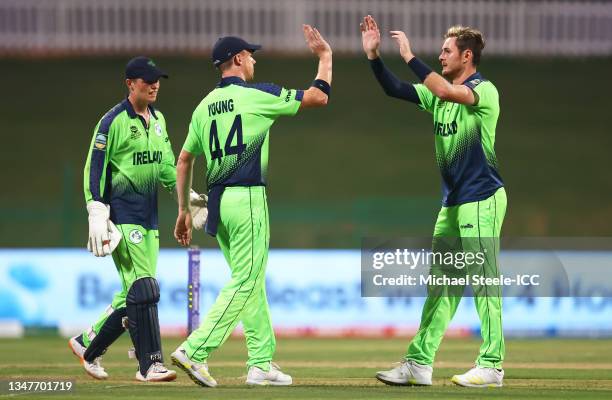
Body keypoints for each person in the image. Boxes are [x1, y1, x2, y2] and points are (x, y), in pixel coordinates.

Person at [170, 25, 332, 387]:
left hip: (216, 204)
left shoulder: (203, 107)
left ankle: (260, 363)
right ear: (239, 59)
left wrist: (182, 209)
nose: (254, 59)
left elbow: (183, 160)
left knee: (251, 281)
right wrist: (325, 57)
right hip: (246, 199)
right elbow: (319, 97)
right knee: (246, 280)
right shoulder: (257, 95)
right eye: (251, 55)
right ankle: (195, 350)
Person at [360, 15, 507, 388]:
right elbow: (395, 89)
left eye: (447, 51)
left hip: (483, 198)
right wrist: (375, 57)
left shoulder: (482, 91)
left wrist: (409, 56)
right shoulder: (438, 94)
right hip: (454, 204)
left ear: (467, 56)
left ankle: (492, 364)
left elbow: (444, 91)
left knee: (483, 278)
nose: (441, 56)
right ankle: (418, 363)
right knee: (440, 285)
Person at [69, 56, 207, 382]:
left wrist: (187, 197)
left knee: (133, 292)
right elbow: (95, 168)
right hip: (123, 216)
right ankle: (150, 365)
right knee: (145, 289)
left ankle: (87, 344)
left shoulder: (157, 120)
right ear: (130, 84)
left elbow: (167, 169)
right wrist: (97, 210)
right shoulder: (112, 121)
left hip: (150, 219)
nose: (154, 84)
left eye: (157, 79)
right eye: (147, 79)